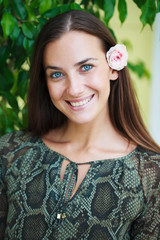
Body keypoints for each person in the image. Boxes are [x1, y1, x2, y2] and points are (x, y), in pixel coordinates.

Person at [0, 9, 160, 240]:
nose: (74, 88)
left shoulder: (151, 174)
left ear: (113, 67)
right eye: (56, 74)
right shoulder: (10, 154)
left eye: (86, 67)